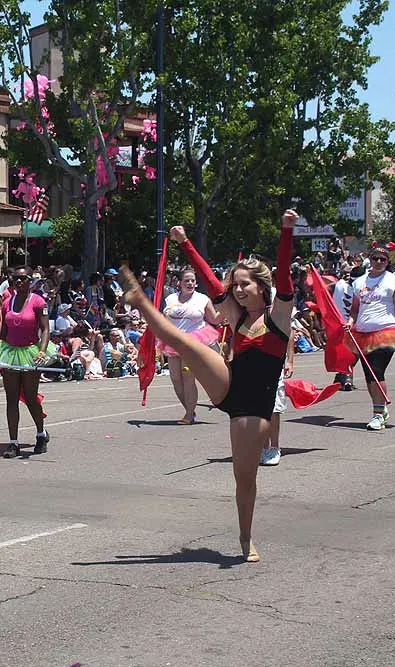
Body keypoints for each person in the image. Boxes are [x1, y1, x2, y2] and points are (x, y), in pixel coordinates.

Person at [122, 210, 297, 563]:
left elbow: (284, 274)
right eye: (236, 285)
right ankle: (141, 301)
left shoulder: (278, 315)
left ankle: (245, 537)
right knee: (186, 344)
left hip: (255, 406)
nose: (238, 290)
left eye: (245, 284)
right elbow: (213, 285)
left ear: (262, 287)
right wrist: (185, 242)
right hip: (229, 385)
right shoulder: (236, 315)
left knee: (244, 479)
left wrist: (286, 231)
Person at [345, 243, 395, 431]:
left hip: (386, 331)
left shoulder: (394, 281)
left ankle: (377, 414)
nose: (379, 262)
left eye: (383, 259)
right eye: (376, 258)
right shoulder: (359, 282)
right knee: (369, 375)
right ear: (370, 260)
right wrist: (350, 322)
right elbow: (355, 309)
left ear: (387, 262)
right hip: (363, 333)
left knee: (377, 369)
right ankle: (380, 409)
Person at [0, 266, 50, 458]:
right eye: (15, 278)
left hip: (30, 352)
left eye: (23, 278)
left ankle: (41, 434)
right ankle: (13, 442)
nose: (18, 282)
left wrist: (42, 351)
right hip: (10, 352)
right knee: (11, 398)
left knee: (31, 398)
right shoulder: (7, 302)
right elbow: (4, 332)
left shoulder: (38, 302)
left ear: (30, 281)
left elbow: (45, 329)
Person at [160, 270, 222, 424]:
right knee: (175, 378)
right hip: (174, 341)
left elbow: (214, 319)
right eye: (186, 280)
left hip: (194, 342)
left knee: (187, 376)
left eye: (193, 280)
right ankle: (190, 410)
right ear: (179, 283)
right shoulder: (170, 298)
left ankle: (188, 414)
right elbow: (164, 318)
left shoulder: (202, 299)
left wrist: (227, 308)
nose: (190, 283)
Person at [261, 328, 295, 466]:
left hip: (274, 362)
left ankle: (274, 447)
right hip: (252, 363)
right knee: (259, 409)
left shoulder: (276, 315)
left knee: (274, 408)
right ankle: (264, 447)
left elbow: (289, 333)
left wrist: (290, 361)